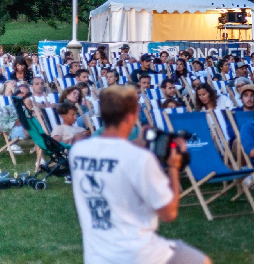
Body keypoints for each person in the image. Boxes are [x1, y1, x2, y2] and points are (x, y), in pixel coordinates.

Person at [69, 85, 209, 263]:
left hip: (97, 256)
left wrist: (137, 143)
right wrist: (173, 167)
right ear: (131, 116)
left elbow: (112, 152)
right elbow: (169, 213)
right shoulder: (140, 159)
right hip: (138, 254)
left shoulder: (78, 152)